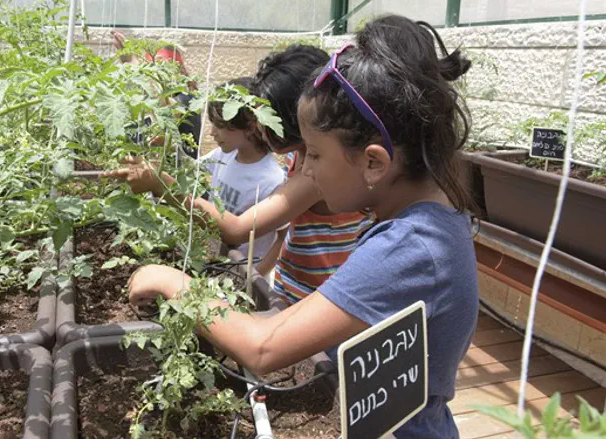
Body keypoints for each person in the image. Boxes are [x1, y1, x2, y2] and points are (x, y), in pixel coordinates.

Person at [125, 15, 479, 439]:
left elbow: (262, 347)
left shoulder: (412, 248)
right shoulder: (426, 220)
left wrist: (172, 282)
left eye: (312, 155)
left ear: (374, 162)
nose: (304, 170)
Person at [107, 44, 374, 302]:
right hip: (292, 286)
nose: (256, 125)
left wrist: (161, 185)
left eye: (264, 114)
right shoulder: (301, 156)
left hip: (314, 299)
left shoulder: (315, 176)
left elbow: (236, 230)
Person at [200, 77, 285, 259]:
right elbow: (190, 167)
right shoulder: (223, 155)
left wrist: (257, 276)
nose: (212, 132)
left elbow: (282, 237)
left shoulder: (272, 180)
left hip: (243, 275)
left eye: (220, 125)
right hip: (215, 260)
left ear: (249, 126)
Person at [111, 30, 201, 158]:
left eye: (161, 65)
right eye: (151, 68)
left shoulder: (185, 98)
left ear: (177, 69)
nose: (154, 73)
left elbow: (164, 107)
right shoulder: (158, 98)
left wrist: (131, 59)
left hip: (181, 170)